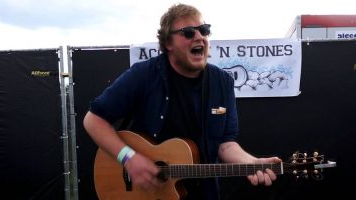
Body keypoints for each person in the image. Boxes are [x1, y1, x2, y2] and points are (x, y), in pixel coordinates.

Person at [83, 3, 281, 200]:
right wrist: (129, 158)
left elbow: (225, 144)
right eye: (188, 32)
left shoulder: (223, 82)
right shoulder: (144, 75)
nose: (199, 37)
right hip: (149, 193)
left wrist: (252, 162)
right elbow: (93, 120)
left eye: (204, 30)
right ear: (169, 43)